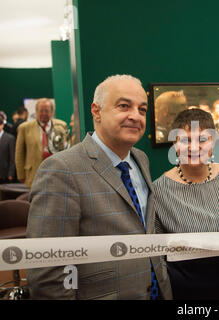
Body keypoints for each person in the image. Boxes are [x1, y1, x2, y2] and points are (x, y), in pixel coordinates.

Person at [26, 75, 172, 300]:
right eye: (124, 106)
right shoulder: (61, 169)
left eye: (142, 109)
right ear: (96, 111)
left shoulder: (140, 160)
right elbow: (48, 269)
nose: (135, 116)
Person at [153, 108, 219, 300]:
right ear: (175, 143)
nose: (194, 148)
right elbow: (156, 255)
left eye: (202, 139)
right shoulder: (158, 190)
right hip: (183, 292)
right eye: (185, 140)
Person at [15, 99, 68, 187]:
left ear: (52, 112)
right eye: (41, 111)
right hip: (33, 174)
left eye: (46, 111)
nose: (44, 113)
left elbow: (65, 151)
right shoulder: (24, 128)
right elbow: (19, 153)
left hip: (57, 174)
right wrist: (21, 175)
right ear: (36, 112)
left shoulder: (61, 126)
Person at [0, 113, 16, 184]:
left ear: (2, 125)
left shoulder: (10, 138)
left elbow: (12, 157)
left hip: (4, 174)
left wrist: (11, 173)